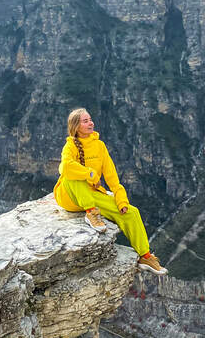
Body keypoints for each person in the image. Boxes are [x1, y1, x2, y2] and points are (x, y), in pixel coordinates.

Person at [54, 107, 168, 275]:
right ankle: (91, 213)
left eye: (90, 119)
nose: (91, 123)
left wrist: (121, 199)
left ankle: (145, 256)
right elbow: (64, 168)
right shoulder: (70, 146)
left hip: (91, 193)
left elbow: (112, 176)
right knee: (72, 175)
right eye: (85, 121)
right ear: (76, 126)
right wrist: (88, 173)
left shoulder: (99, 146)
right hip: (69, 195)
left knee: (131, 212)